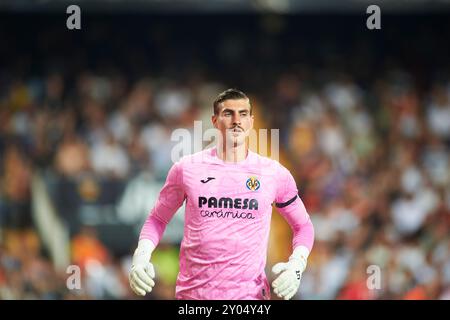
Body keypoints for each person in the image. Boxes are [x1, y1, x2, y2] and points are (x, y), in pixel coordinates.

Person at [128, 88, 314, 300]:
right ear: (215, 121)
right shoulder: (186, 169)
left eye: (243, 114)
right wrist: (141, 256)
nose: (236, 120)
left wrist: (297, 265)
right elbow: (158, 218)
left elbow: (303, 226)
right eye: (228, 113)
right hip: (194, 298)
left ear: (251, 122)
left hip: (249, 298)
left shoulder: (274, 173)